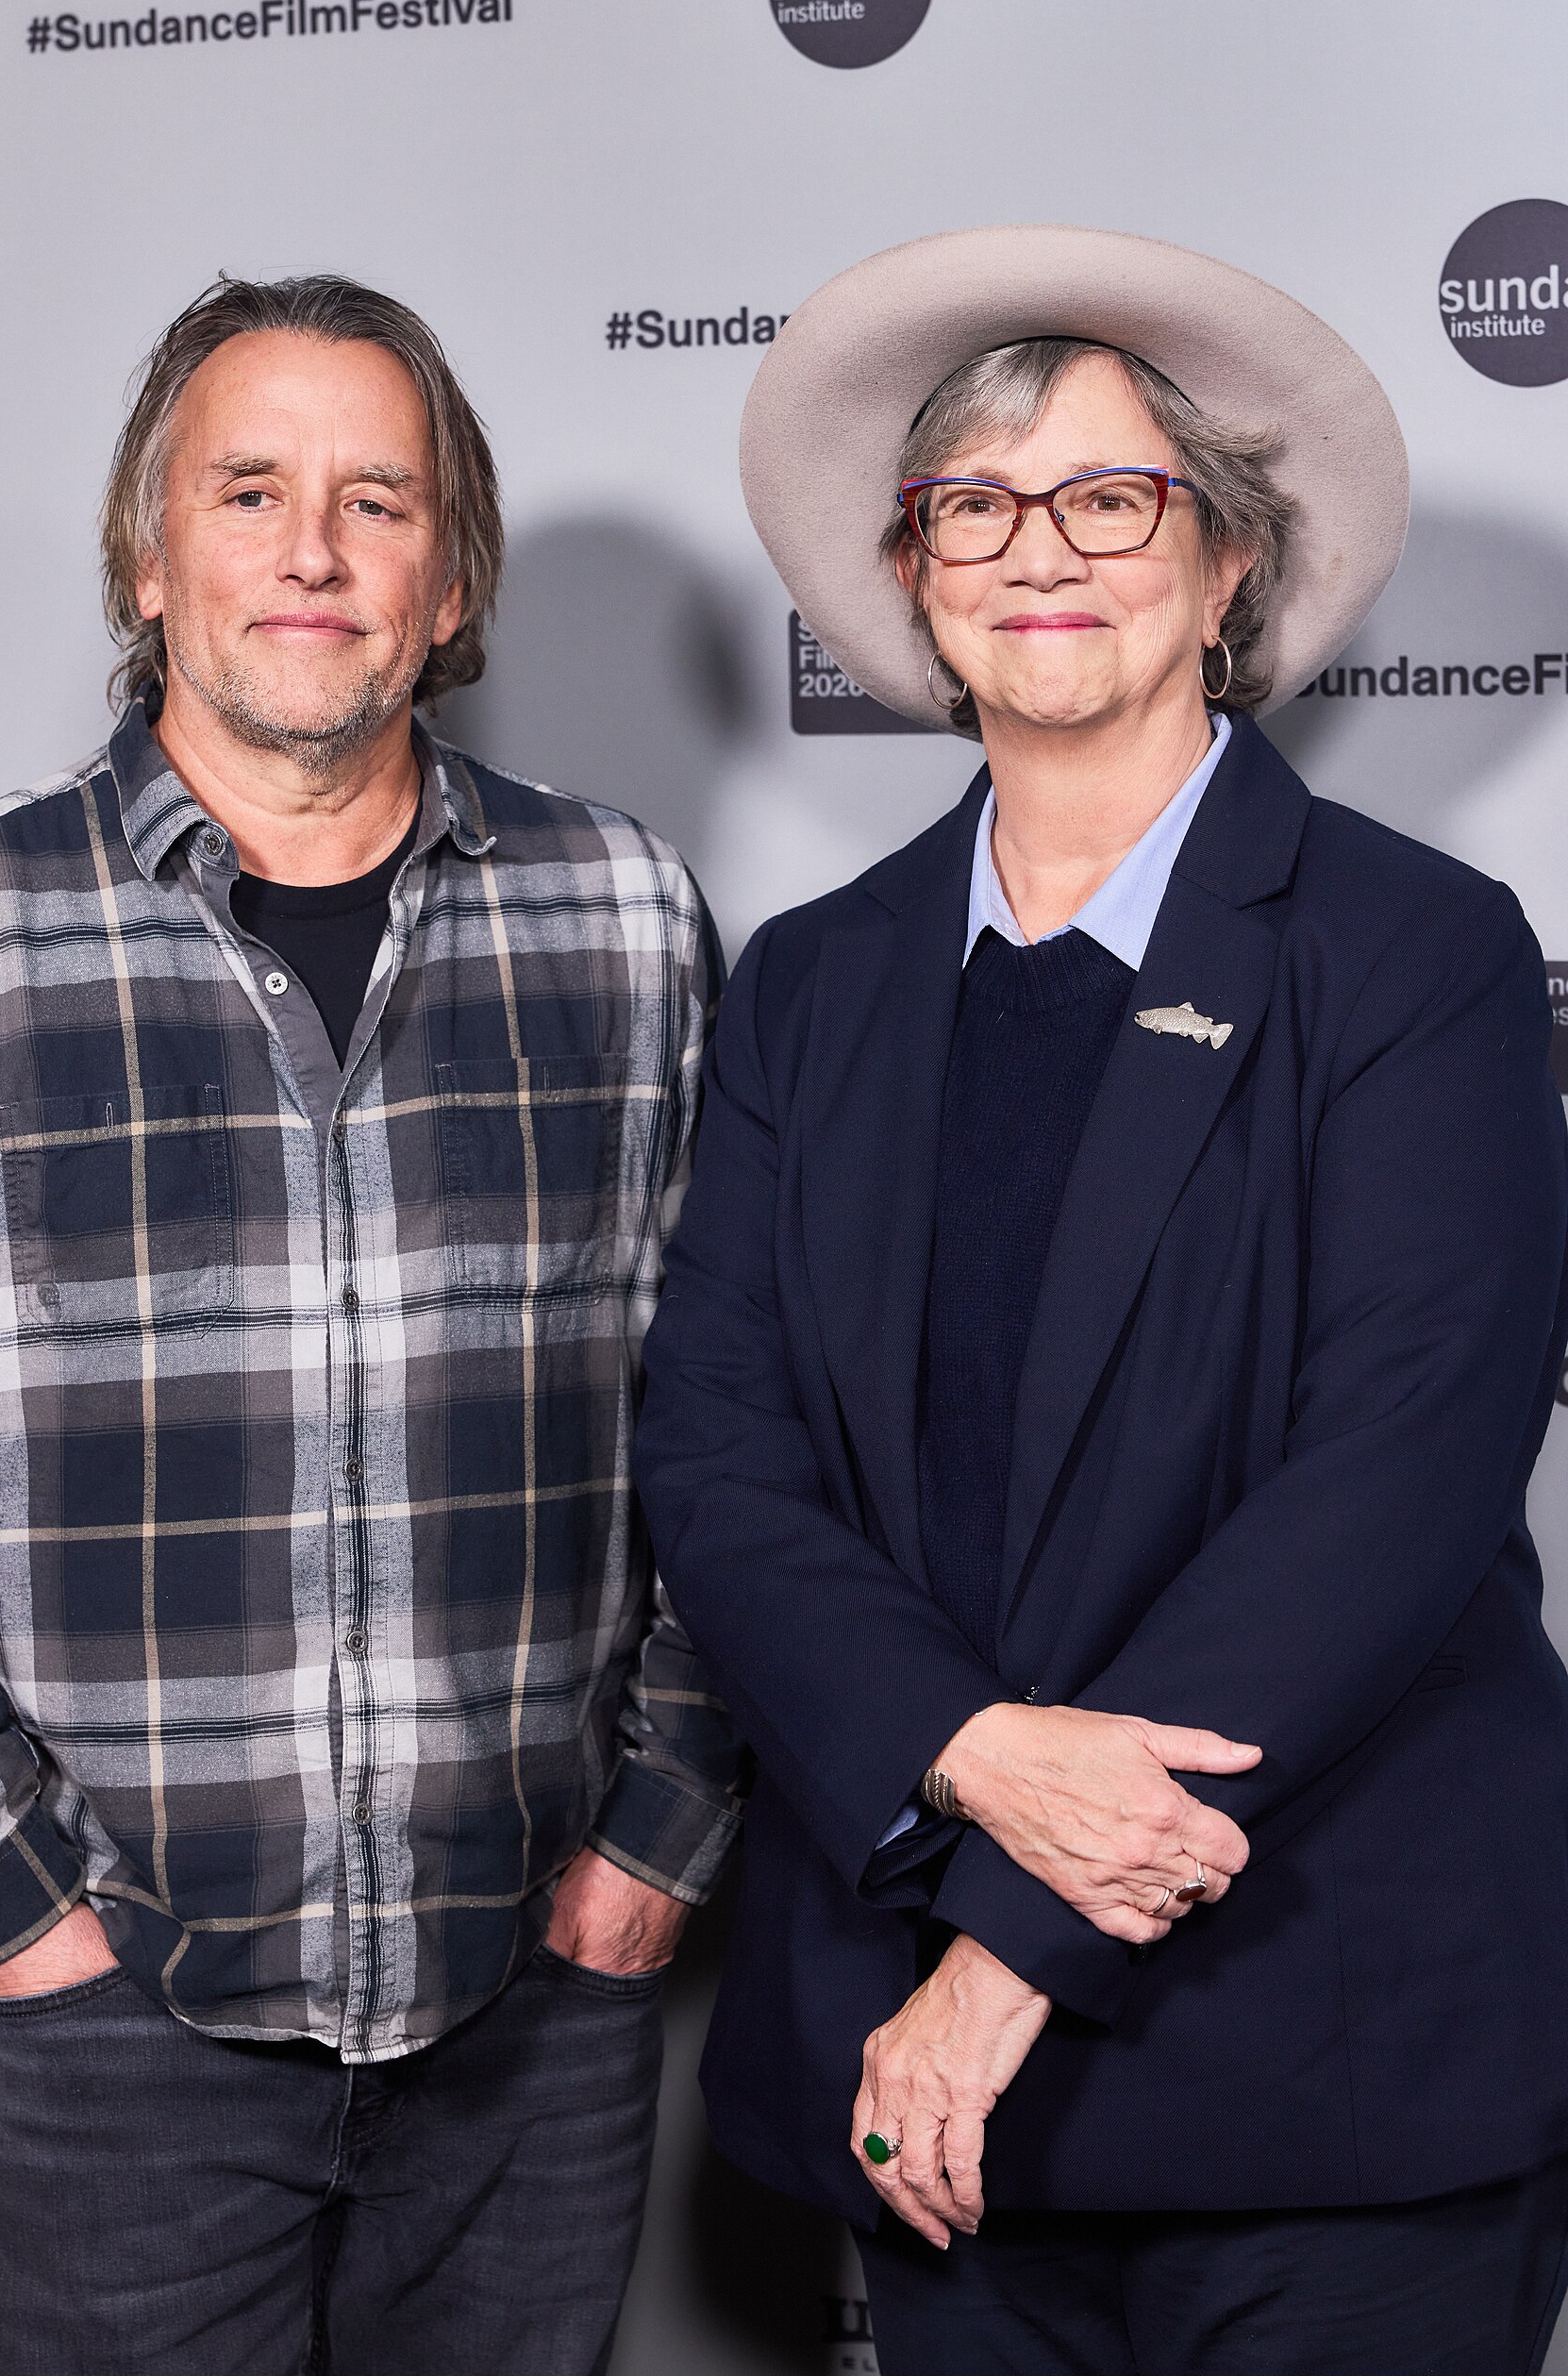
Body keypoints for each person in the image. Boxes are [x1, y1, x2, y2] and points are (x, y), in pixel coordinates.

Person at [0, 273, 741, 2376]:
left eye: (378, 500)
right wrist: (13, 1910)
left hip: (534, 2002)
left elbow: (728, 1408)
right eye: (249, 491)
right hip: (126, 2023)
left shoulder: (628, 921)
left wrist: (659, 1833)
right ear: (149, 557)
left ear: (449, 579)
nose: (313, 550)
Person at [634, 226, 1568, 2373]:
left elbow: (1393, 1487)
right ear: (917, 573)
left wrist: (1007, 1958)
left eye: (1110, 497)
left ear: (1227, 559)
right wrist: (959, 1749)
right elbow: (719, 1456)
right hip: (935, 2099)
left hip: (1328, 2057)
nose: (1038, 551)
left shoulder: (1417, 955)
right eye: (974, 505)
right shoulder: (813, 986)